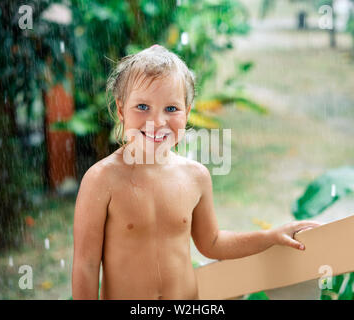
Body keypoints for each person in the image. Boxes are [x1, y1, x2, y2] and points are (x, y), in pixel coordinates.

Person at [71, 45, 322, 300]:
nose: (157, 122)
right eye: (143, 107)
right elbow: (86, 265)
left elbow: (212, 243)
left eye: (171, 109)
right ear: (122, 110)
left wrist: (270, 236)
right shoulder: (101, 179)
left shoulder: (195, 176)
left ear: (187, 113)